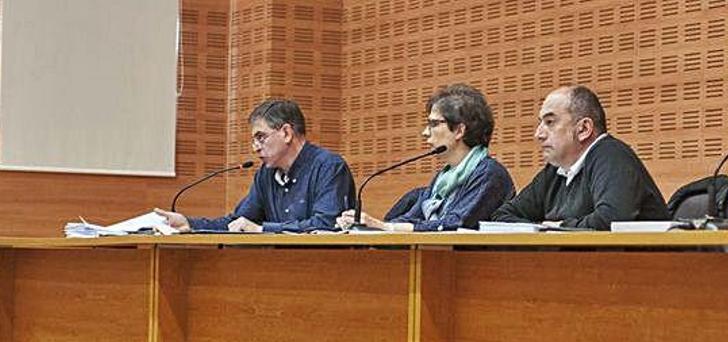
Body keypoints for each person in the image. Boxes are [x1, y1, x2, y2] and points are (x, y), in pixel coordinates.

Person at [155, 99, 355, 232]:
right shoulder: (266, 175)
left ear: (286, 133)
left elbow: (327, 224)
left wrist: (262, 229)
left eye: (260, 137)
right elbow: (239, 222)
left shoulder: (328, 167)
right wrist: (190, 223)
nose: (255, 148)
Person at [336, 83, 514, 232]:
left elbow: (454, 225)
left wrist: (387, 227)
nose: (425, 132)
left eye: (433, 124)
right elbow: (411, 217)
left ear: (459, 130)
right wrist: (367, 224)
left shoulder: (489, 174)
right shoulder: (444, 176)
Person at [491, 85, 668, 230]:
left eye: (550, 122)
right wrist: (543, 228)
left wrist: (558, 227)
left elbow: (611, 221)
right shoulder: (556, 171)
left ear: (583, 129)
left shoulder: (612, 155)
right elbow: (502, 216)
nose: (538, 134)